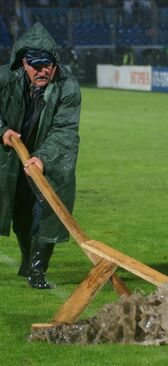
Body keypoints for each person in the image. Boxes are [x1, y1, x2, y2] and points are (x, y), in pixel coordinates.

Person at [0, 23, 81, 289]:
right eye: (35, 65)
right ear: (23, 63)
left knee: (46, 211)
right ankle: (26, 260)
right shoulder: (5, 79)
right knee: (20, 211)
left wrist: (43, 158)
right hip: (13, 158)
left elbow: (64, 130)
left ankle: (37, 271)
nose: (41, 71)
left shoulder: (67, 87)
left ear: (54, 64)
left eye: (46, 65)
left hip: (50, 159)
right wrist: (2, 129)